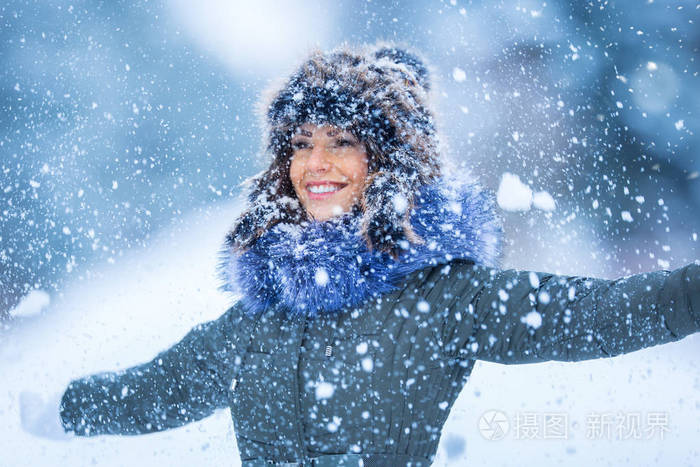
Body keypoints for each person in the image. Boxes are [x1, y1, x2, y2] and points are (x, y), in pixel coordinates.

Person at [22, 44, 699, 466]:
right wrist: (63, 409)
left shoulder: (445, 297)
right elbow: (159, 390)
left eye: (340, 141)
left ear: (387, 162)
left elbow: (602, 313)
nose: (313, 163)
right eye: (299, 142)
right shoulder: (260, 319)